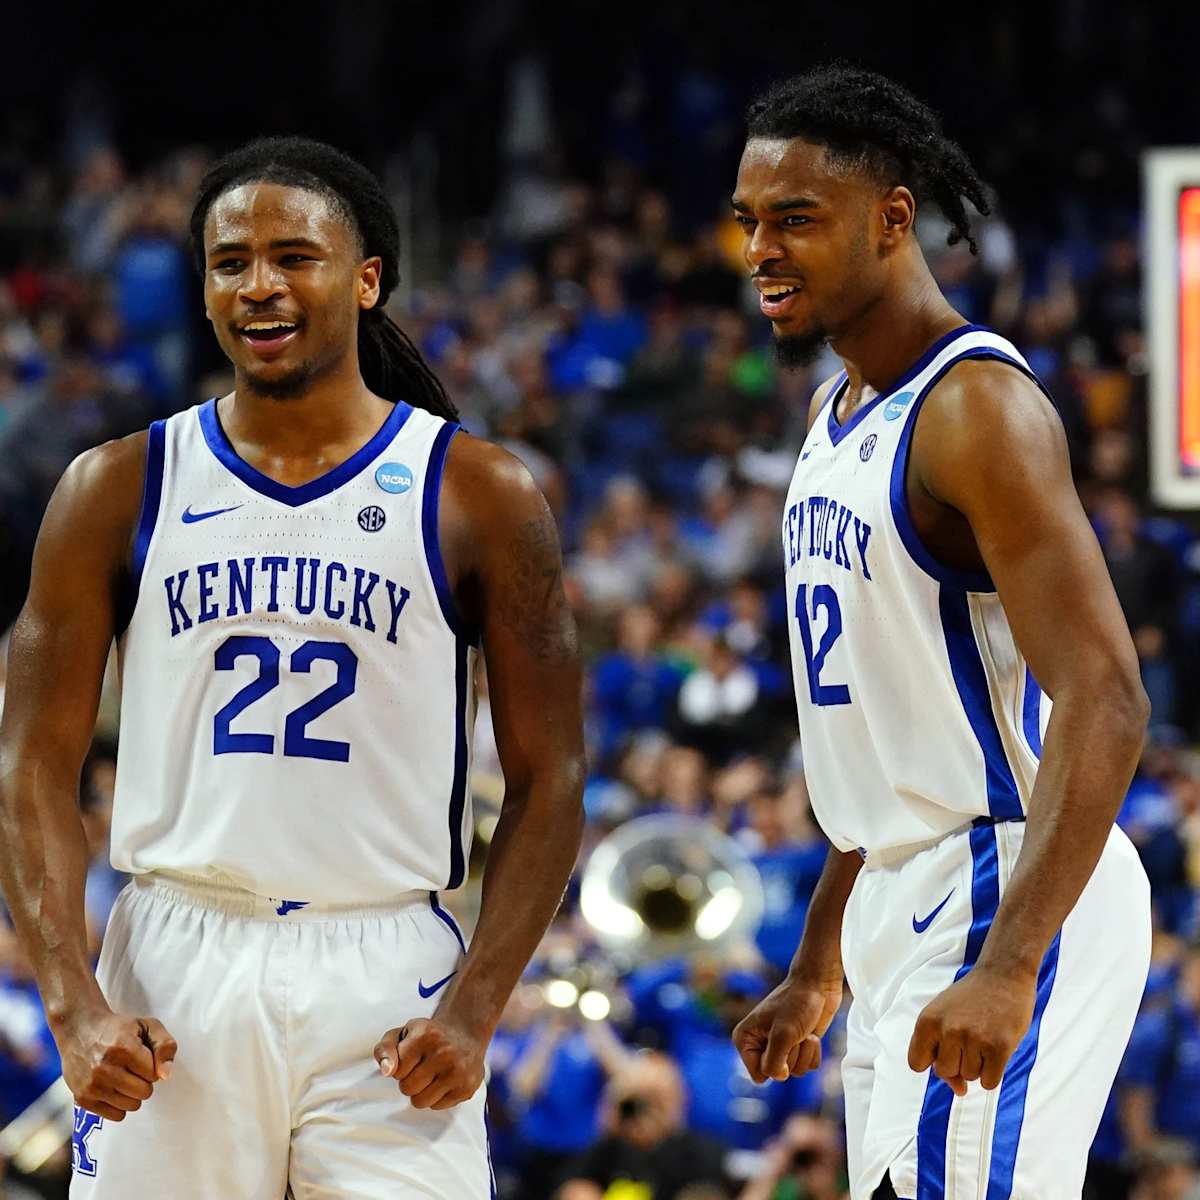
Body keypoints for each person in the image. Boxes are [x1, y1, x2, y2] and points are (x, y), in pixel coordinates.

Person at [0, 137, 586, 1197]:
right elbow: (30, 765)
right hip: (172, 965)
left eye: (294, 257)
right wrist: (74, 1006)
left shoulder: (480, 494)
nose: (258, 285)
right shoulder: (116, 487)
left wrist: (477, 1007)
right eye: (229, 262)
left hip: (389, 975)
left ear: (367, 280)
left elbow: (552, 779)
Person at [727, 66, 1152, 1200]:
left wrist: (1011, 962)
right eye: (749, 221)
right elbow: (881, 727)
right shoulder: (833, 412)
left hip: (1002, 875)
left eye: (796, 219)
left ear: (893, 217)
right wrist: (820, 960)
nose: (761, 249)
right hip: (898, 893)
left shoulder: (975, 409)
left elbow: (1110, 697)